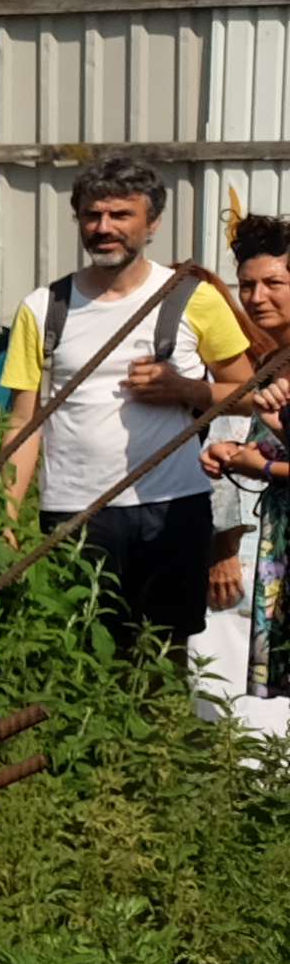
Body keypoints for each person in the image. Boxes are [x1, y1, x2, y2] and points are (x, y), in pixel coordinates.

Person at [0, 152, 254, 659]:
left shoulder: (192, 297)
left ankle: (163, 740)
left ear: (151, 222)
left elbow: (249, 395)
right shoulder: (43, 307)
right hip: (74, 511)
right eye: (92, 215)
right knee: (78, 655)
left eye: (120, 215)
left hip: (171, 506)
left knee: (163, 655)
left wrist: (187, 391)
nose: (104, 227)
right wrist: (5, 519)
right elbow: (23, 421)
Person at [192, 214, 290, 713]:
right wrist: (231, 456)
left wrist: (263, 469)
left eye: (273, 283)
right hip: (276, 540)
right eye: (247, 285)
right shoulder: (272, 362)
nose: (256, 298)